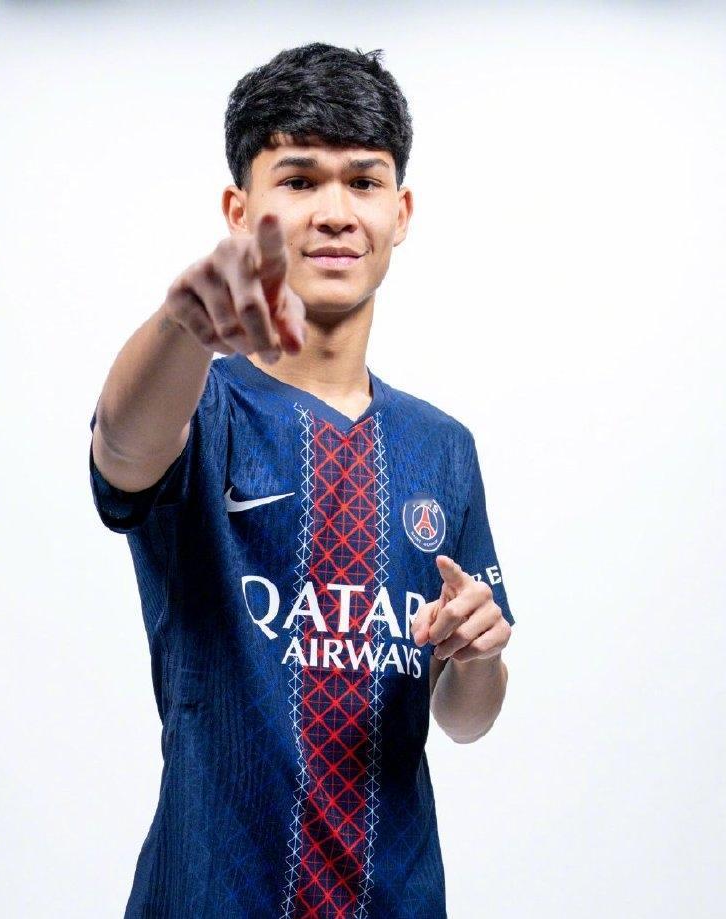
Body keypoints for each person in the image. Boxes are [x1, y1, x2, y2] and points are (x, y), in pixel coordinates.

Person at [88, 41, 515, 919]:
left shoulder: (442, 448)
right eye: (299, 179)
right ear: (239, 210)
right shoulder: (199, 403)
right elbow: (123, 450)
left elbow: (464, 717)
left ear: (400, 211)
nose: (334, 212)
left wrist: (478, 655)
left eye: (362, 181)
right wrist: (182, 324)